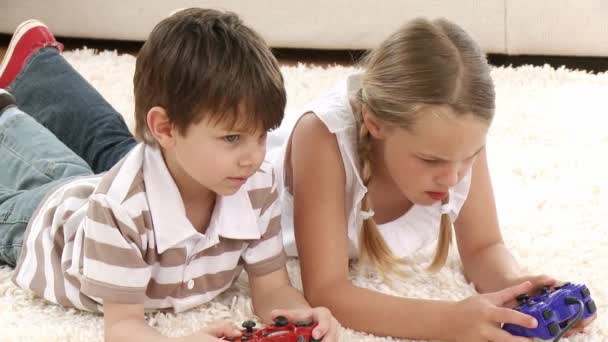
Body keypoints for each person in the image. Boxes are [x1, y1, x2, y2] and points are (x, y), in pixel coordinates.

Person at [0, 9, 338, 342]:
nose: (255, 157)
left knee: (63, 166)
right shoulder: (120, 211)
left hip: (95, 191)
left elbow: (273, 288)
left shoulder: (258, 187)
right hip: (41, 227)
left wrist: (301, 317)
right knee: (47, 176)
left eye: (262, 135)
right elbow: (121, 328)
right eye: (232, 138)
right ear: (165, 128)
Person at [266, 17, 596, 341]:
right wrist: (449, 320)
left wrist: (515, 288)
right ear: (375, 125)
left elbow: (483, 247)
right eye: (430, 160)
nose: (453, 177)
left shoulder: (454, 141)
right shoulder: (323, 137)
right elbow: (328, 291)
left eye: (470, 156)